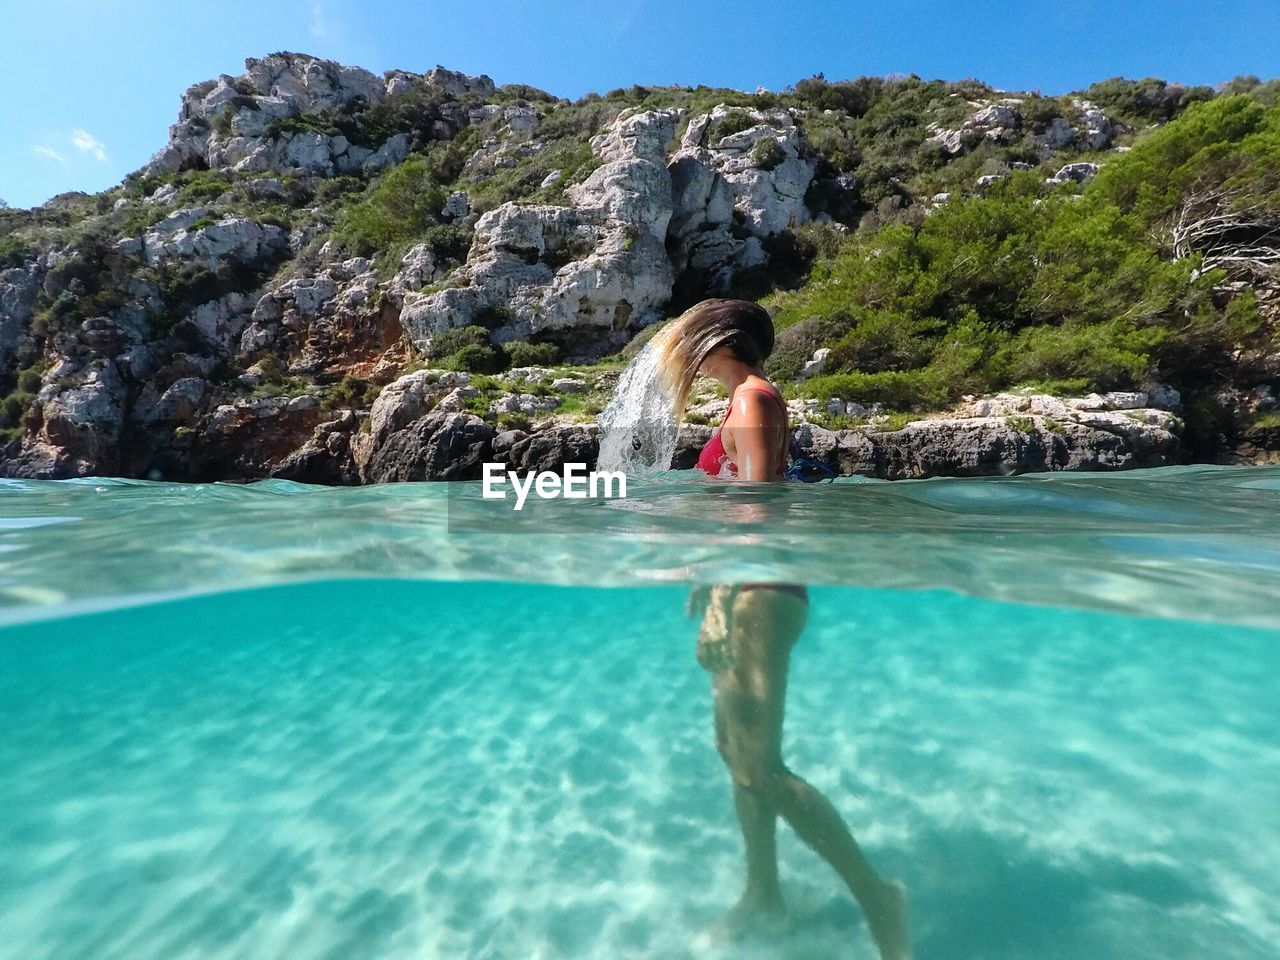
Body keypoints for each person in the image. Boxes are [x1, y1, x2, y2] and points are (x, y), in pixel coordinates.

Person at [651, 298, 912, 960]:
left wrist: (720, 598)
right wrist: (705, 585)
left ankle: (878, 894)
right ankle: (763, 892)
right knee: (737, 758)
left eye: (689, 338)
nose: (680, 352)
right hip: (740, 589)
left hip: (759, 593)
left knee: (759, 766)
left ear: (719, 340)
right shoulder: (743, 400)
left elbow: (759, 512)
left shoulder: (756, 400)